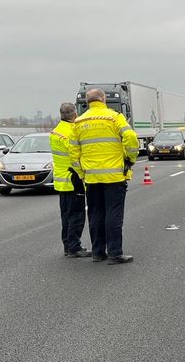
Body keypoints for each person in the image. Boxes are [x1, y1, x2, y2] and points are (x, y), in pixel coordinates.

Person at [69, 88, 139, 263]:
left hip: (91, 178)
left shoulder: (79, 122)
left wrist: (81, 173)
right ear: (103, 100)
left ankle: (98, 252)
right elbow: (130, 136)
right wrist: (130, 158)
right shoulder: (114, 117)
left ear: (88, 102)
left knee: (95, 215)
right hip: (114, 176)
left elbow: (73, 151)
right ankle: (115, 253)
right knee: (113, 214)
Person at [50, 103, 89, 258]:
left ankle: (67, 245)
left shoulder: (56, 131)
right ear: (75, 114)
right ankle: (74, 247)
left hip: (61, 181)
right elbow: (75, 156)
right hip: (73, 180)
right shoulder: (72, 132)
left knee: (66, 216)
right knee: (77, 216)